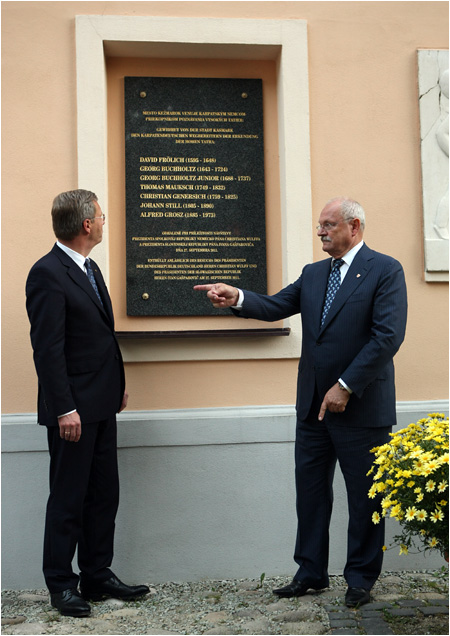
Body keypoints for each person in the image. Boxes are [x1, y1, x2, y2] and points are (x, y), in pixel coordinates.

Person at [194, 197, 408, 607]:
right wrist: (236, 296)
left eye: (328, 225)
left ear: (355, 227)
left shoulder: (385, 270)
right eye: (319, 225)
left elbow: (387, 337)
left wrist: (345, 386)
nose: (320, 232)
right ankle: (310, 571)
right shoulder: (314, 274)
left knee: (365, 498)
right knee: (310, 493)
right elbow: (276, 305)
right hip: (312, 406)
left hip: (361, 407)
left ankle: (361, 578)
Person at [26, 190, 149, 617]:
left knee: (103, 494)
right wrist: (64, 408)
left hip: (101, 404)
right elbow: (48, 349)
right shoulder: (47, 273)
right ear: (85, 225)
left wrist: (115, 387)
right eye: (99, 216)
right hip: (72, 413)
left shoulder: (90, 267)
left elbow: (97, 337)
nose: (103, 221)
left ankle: (97, 574)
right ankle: (62, 584)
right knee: (68, 498)